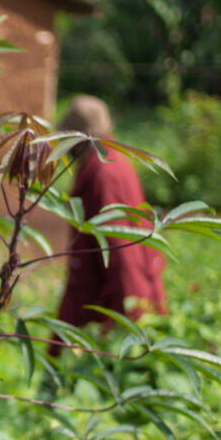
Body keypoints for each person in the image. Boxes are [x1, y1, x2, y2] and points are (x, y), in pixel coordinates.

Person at [51, 95, 167, 354]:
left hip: (110, 298)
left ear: (79, 140)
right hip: (101, 292)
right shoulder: (108, 162)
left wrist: (131, 318)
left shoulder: (104, 172)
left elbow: (121, 249)